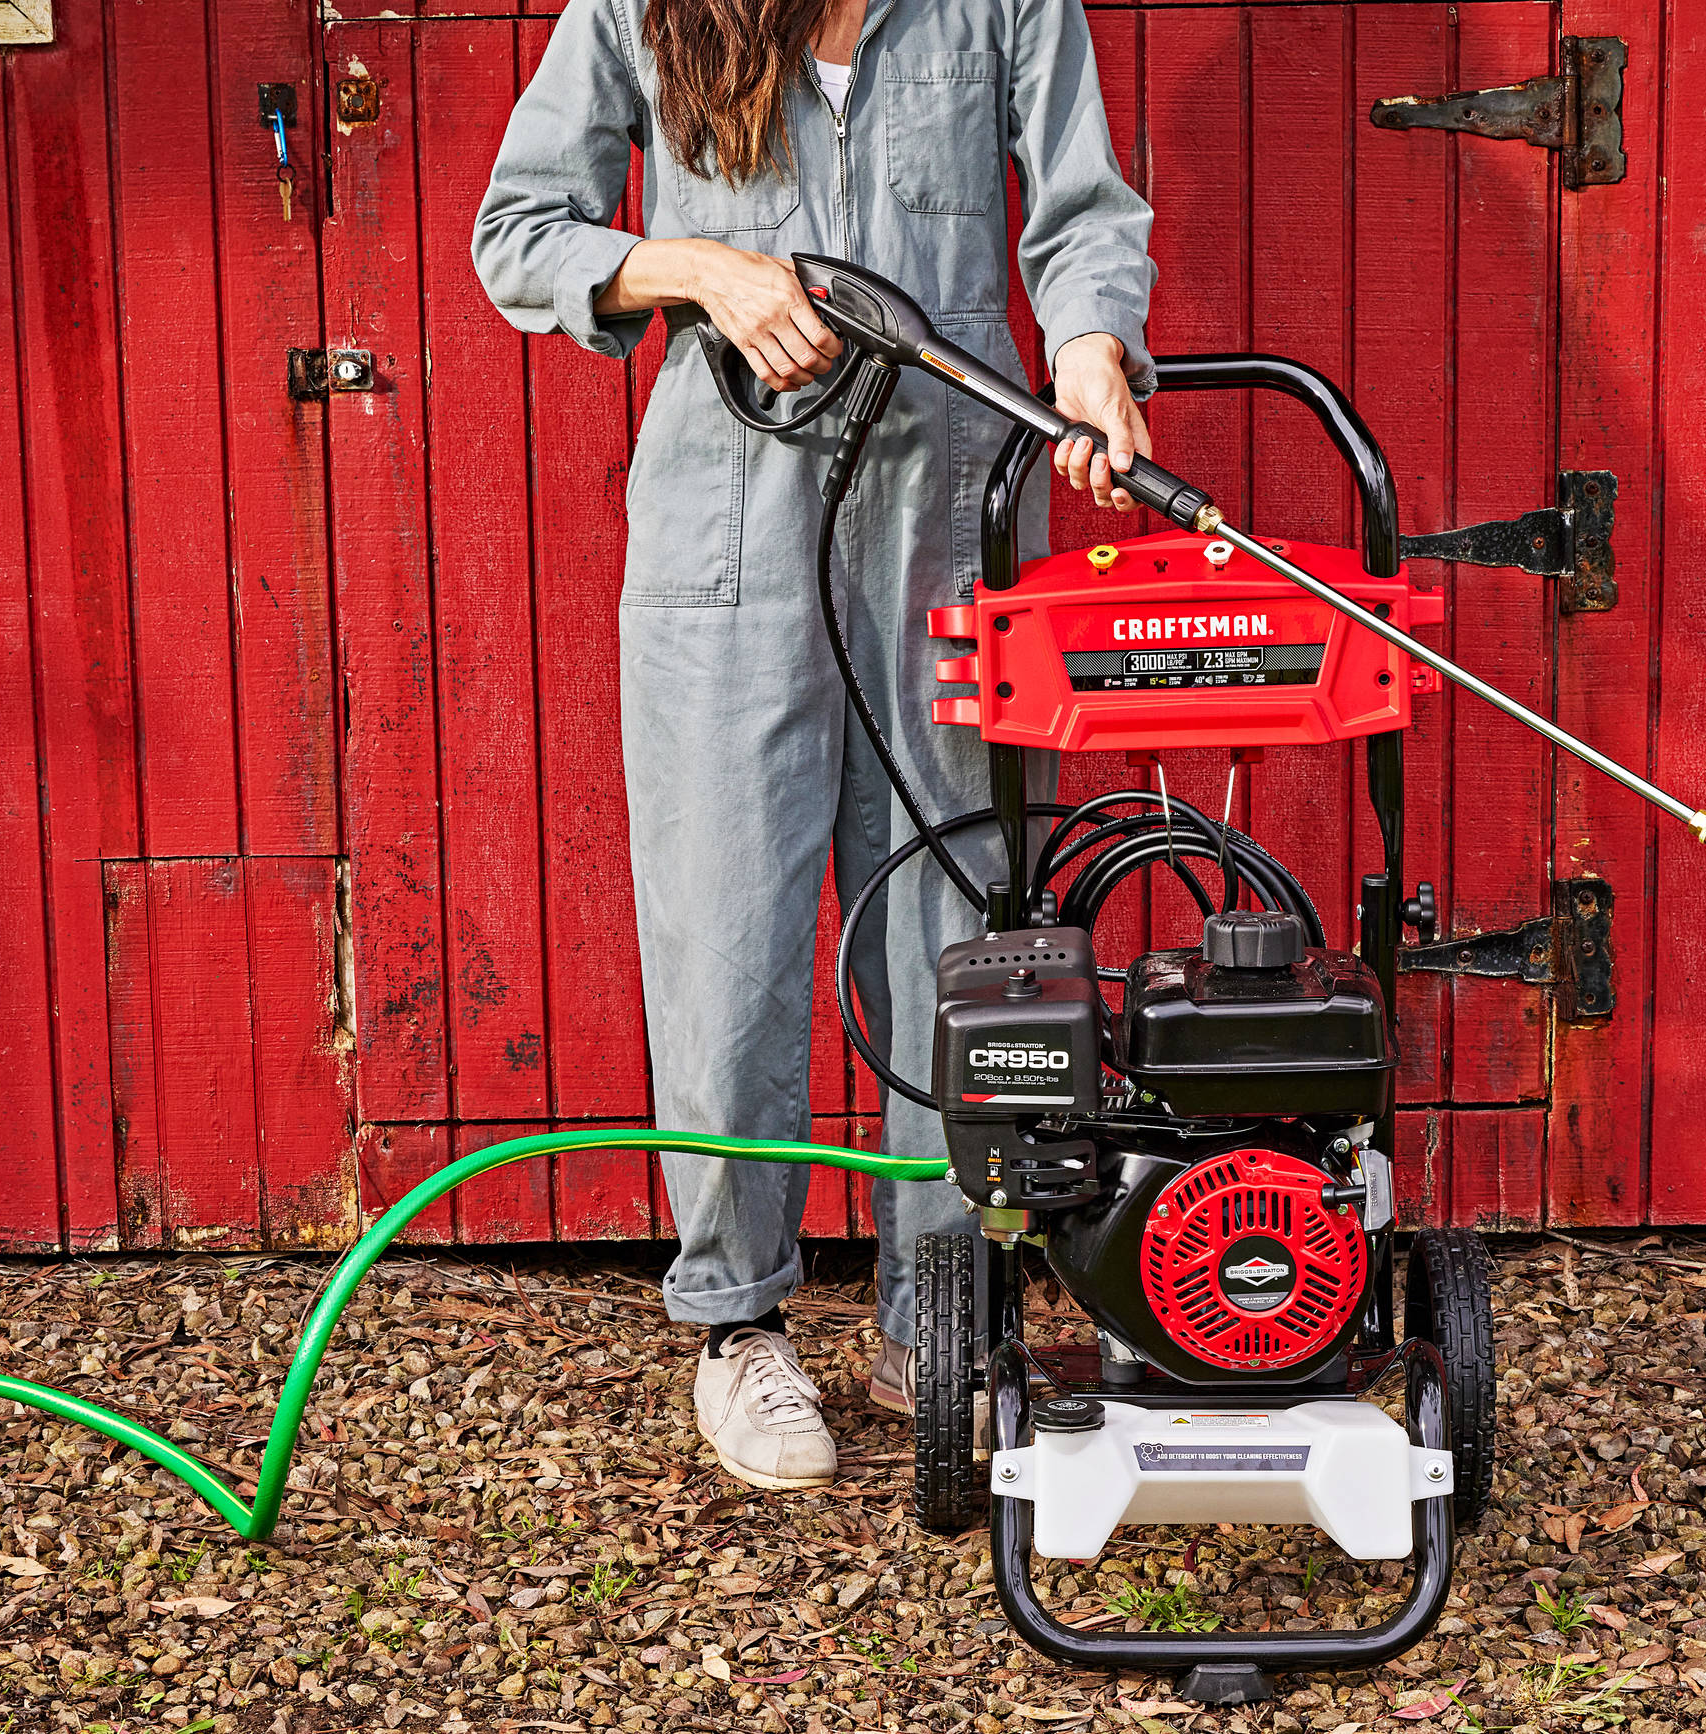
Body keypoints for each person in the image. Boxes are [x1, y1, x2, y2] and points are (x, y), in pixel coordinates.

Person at [474, 0, 1158, 1491]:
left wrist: (1097, 351)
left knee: (954, 926)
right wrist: (697, 267)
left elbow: (1083, 211)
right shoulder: (639, 11)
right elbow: (519, 230)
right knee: (726, 937)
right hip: (729, 533)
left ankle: (936, 1308)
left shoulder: (1005, 8)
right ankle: (738, 1323)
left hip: (950, 521)